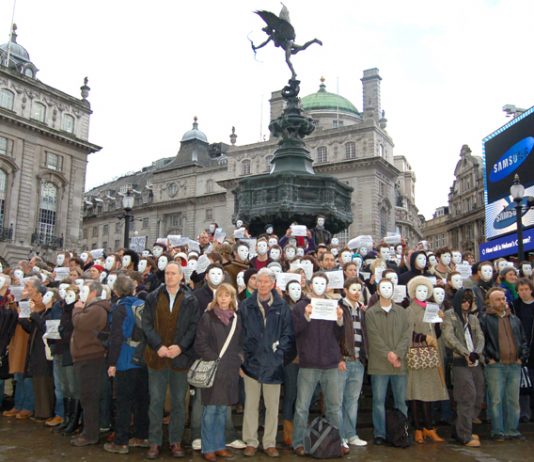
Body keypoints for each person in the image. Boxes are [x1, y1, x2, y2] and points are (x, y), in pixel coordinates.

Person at [142, 262, 201, 459]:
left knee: (178, 403)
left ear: (181, 276)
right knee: (156, 402)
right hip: (157, 357)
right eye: (167, 273)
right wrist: (158, 345)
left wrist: (180, 347)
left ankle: (175, 441)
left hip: (180, 359)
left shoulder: (190, 299)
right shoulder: (153, 297)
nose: (169, 276)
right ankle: (155, 442)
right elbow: (146, 323)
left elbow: (194, 327)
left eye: (173, 273)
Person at [239, 268, 295, 458]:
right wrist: (242, 360)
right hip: (251, 364)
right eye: (259, 281)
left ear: (273, 284)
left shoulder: (282, 306)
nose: (262, 285)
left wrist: (279, 355)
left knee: (272, 407)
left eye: (266, 282)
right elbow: (239, 334)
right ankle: (251, 441)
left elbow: (288, 334)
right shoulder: (245, 305)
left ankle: (270, 442)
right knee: (251, 405)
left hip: (273, 364)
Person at [291, 272, 347, 456]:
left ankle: (336, 442)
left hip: (330, 363)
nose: (320, 286)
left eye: (323, 283)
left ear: (328, 285)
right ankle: (298, 442)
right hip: (309, 363)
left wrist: (340, 319)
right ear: (310, 284)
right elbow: (296, 331)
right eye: (316, 282)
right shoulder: (301, 306)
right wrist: (306, 317)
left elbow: (339, 335)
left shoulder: (334, 305)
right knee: (302, 407)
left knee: (334, 407)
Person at [194, 283, 243, 462]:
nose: (223, 299)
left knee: (223, 410)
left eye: (227, 295)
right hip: (212, 369)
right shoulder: (208, 317)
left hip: (229, 370)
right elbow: (200, 343)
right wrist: (214, 358)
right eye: (220, 295)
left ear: (232, 298)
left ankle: (220, 445)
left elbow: (240, 342)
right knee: (210, 410)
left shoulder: (236, 318)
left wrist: (240, 359)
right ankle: (208, 447)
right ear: (216, 298)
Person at [104, 275, 149, 454]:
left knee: (123, 401)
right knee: (142, 400)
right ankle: (141, 435)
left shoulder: (120, 308)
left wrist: (112, 362)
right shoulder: (142, 305)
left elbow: (116, 337)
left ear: (116, 291)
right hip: (142, 358)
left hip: (125, 358)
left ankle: (121, 441)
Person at [365, 279, 411, 445]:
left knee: (401, 401)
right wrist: (389, 355)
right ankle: (380, 434)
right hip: (379, 364)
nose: (386, 290)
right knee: (378, 401)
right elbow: (373, 337)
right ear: (377, 290)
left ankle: (402, 432)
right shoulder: (370, 313)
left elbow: (407, 335)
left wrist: (398, 354)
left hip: (399, 364)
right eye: (383, 287)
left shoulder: (402, 311)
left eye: (389, 287)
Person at [480, 287, 528, 441]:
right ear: (490, 302)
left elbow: (523, 340)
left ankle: (512, 430)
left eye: (503, 299)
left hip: (514, 364)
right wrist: (488, 359)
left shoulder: (514, 319)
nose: (502, 301)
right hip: (496, 366)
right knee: (496, 400)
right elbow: (481, 342)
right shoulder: (485, 319)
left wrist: (522, 357)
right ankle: (498, 431)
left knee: (513, 399)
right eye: (498, 299)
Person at [405, 276, 448, 443]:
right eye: (419, 290)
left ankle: (429, 427)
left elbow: (436, 333)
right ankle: (418, 428)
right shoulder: (410, 310)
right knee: (416, 394)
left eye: (425, 290)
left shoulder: (432, 308)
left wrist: (439, 322)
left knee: (429, 393)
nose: (422, 293)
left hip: (431, 356)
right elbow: (408, 332)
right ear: (413, 292)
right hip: (417, 356)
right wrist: (423, 337)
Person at [442, 288, 485, 448]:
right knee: (467, 396)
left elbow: (480, 336)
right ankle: (463, 434)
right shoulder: (450, 315)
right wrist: (466, 353)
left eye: (469, 300)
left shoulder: (473, 318)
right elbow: (449, 337)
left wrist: (476, 353)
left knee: (478, 394)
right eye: (463, 300)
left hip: (475, 360)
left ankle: (462, 427)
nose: (466, 303)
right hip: (459, 361)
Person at [70, 281, 111, 447]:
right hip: (86, 357)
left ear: (93, 292)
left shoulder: (96, 309)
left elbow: (80, 323)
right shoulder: (94, 308)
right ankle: (90, 431)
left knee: (89, 397)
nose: (80, 294)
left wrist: (77, 310)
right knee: (88, 396)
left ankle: (90, 434)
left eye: (84, 290)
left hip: (90, 358)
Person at [338, 277, 368, 447]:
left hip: (358, 361)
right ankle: (340, 436)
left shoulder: (362, 310)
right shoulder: (339, 307)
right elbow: (333, 335)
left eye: (359, 290)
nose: (357, 293)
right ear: (345, 290)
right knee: (339, 401)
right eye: (354, 289)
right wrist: (337, 357)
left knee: (352, 400)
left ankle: (351, 434)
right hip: (343, 360)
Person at [515, 278, 534, 422]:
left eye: (526, 289)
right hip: (521, 347)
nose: (523, 292)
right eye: (520, 290)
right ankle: (524, 413)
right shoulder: (515, 306)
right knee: (523, 381)